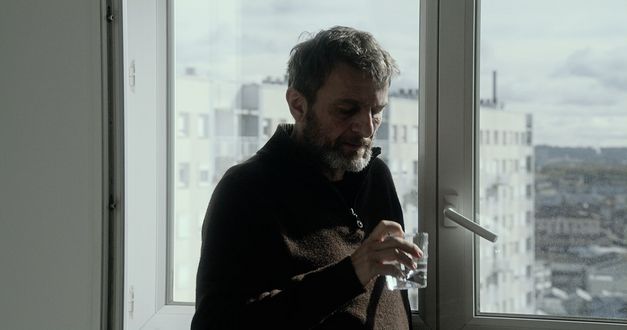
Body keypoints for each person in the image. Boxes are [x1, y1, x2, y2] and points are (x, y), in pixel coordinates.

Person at [191, 26, 423, 329]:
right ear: (298, 105)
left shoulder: (376, 175)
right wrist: (353, 273)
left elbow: (394, 304)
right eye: (347, 110)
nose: (367, 128)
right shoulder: (245, 190)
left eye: (376, 111)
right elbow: (217, 325)